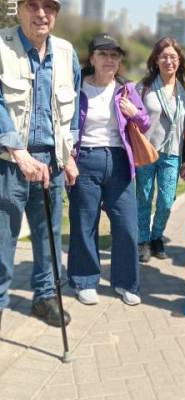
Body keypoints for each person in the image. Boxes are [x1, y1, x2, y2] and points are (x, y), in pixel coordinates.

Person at [0, 0, 80, 329]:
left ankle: (44, 298)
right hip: (10, 161)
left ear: (57, 13)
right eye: (32, 5)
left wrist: (69, 154)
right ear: (19, 9)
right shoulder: (2, 45)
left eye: (49, 6)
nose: (41, 13)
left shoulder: (66, 52)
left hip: (52, 162)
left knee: (48, 236)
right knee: (4, 238)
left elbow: (72, 107)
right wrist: (19, 153)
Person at [67, 34, 149, 306]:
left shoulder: (126, 89)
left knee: (127, 225)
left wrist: (133, 113)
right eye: (104, 54)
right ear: (92, 58)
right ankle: (85, 279)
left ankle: (126, 283)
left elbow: (145, 122)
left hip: (119, 162)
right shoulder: (75, 86)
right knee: (84, 223)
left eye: (115, 55)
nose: (110, 59)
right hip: (84, 160)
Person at [135, 37, 185, 262]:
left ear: (179, 61)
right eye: (164, 57)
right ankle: (142, 240)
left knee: (167, 201)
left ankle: (157, 236)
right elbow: (133, 117)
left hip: (172, 153)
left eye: (173, 57)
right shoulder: (144, 86)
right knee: (143, 197)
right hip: (146, 152)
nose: (169, 61)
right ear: (156, 60)